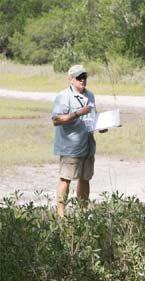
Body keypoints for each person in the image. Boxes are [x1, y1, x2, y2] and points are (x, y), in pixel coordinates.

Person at [51, 64, 106, 218]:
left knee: (85, 178)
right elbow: (56, 120)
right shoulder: (63, 96)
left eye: (84, 77)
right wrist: (77, 113)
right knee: (66, 179)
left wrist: (101, 126)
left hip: (87, 143)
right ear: (71, 80)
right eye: (79, 77)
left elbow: (92, 117)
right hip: (71, 146)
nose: (82, 80)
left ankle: (82, 213)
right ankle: (61, 215)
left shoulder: (90, 95)